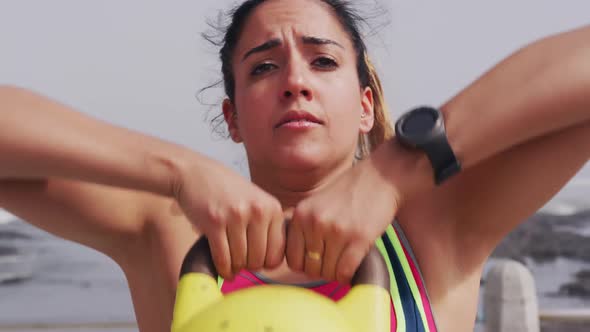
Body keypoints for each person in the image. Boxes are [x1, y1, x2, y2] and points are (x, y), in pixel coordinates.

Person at [1, 0, 589, 331]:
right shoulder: (173, 238)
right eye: (262, 68)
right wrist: (176, 169)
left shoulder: (435, 234)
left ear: (365, 107)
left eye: (323, 61)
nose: (295, 82)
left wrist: (395, 171)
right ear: (232, 118)